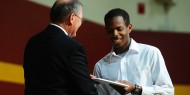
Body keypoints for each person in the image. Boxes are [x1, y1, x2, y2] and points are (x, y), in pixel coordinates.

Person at [93, 8, 174, 95]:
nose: (115, 34)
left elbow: (168, 92)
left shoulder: (151, 53)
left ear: (129, 28)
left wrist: (136, 89)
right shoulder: (100, 66)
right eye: (110, 31)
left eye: (119, 29)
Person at [23, 0, 98, 95]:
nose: (81, 24)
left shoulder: (32, 42)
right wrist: (85, 81)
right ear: (72, 18)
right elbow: (87, 91)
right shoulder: (73, 48)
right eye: (81, 20)